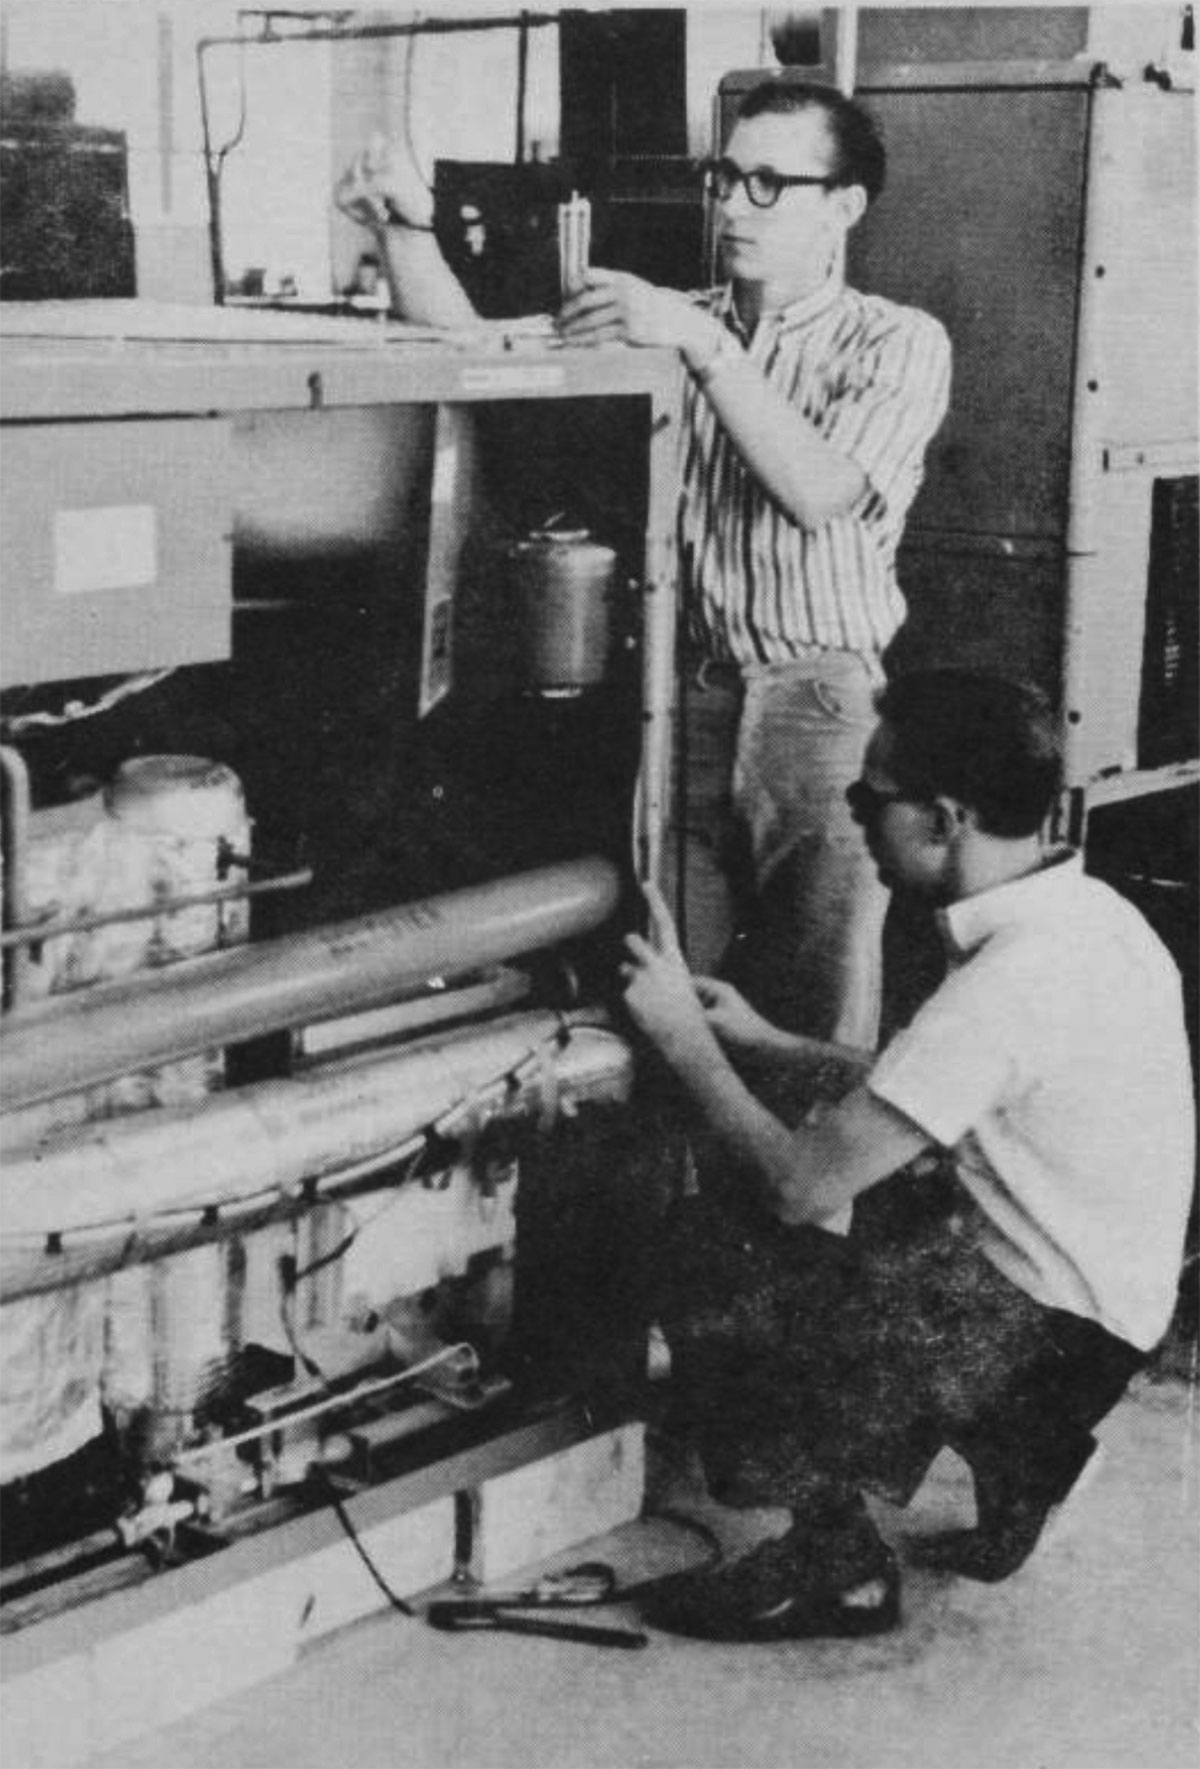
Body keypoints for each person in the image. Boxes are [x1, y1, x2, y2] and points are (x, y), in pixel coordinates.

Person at [335, 81, 952, 1048]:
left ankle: (804, 1200)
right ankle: (685, 1198)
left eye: (768, 185)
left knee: (812, 1014)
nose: (733, 206)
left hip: (822, 715)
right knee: (671, 997)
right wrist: (409, 235)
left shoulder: (895, 341)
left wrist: (701, 344)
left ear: (844, 205)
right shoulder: (678, 320)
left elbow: (819, 490)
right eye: (726, 178)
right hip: (687, 697)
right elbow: (481, 360)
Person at [619, 669, 1194, 1641]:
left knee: (716, 1236)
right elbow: (936, 1086)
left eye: (867, 797)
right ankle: (1023, 1456)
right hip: (1104, 1308)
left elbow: (802, 1189)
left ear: (943, 819)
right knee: (866, 1168)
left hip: (1040, 1326)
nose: (855, 817)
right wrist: (758, 1037)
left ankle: (837, 1563)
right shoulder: (1087, 916)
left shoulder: (1006, 984)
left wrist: (684, 1041)